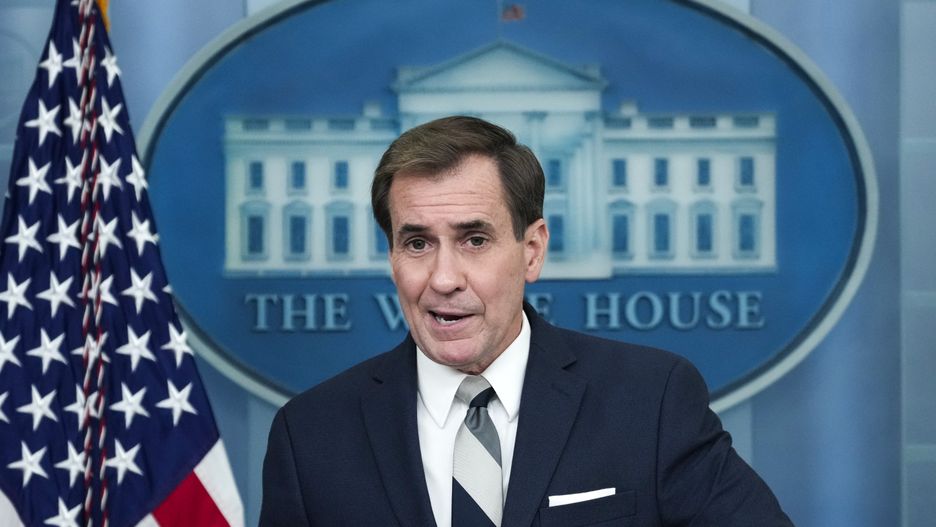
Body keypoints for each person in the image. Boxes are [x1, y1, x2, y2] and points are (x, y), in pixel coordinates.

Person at [260, 116, 793, 526]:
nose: (444, 277)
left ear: (532, 250)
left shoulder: (650, 401)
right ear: (392, 257)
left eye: (475, 240)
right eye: (418, 242)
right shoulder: (309, 435)